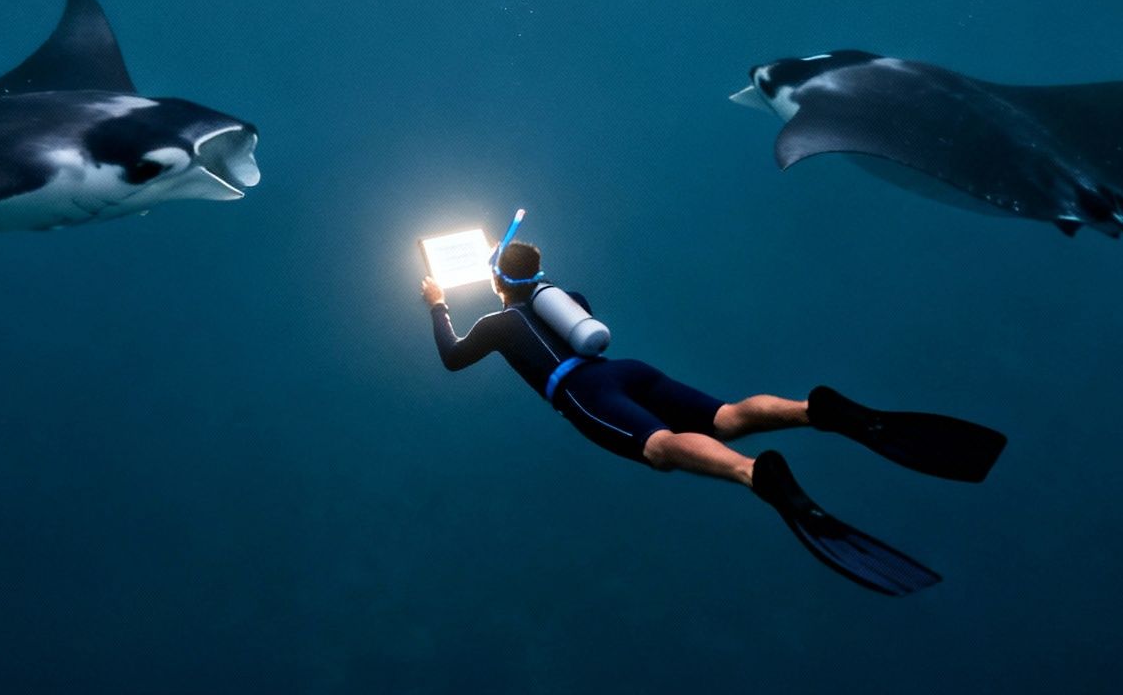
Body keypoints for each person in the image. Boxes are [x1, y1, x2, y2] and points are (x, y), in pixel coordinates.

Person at [422, 226, 1007, 597]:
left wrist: (438, 305)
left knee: (660, 447)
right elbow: (562, 318)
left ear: (497, 280)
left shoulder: (496, 323)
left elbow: (452, 359)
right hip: (625, 370)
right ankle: (817, 411)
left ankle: (753, 474)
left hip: (584, 393)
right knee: (726, 415)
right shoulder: (570, 300)